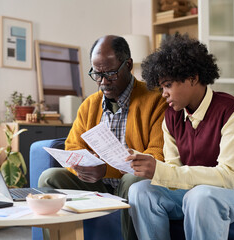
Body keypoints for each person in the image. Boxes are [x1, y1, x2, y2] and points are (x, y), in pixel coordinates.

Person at [126, 33, 234, 240]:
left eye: (168, 85)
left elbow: (227, 176)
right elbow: (174, 171)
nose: (163, 94)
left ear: (193, 78)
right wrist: (151, 167)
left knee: (200, 196)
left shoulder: (232, 110)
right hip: (190, 192)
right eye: (161, 88)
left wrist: (161, 171)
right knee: (139, 191)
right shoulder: (170, 117)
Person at [38, 35, 167, 240]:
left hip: (133, 184)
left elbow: (157, 154)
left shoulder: (156, 99)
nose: (103, 82)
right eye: (97, 74)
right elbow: (72, 146)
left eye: (110, 73)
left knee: (132, 179)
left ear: (129, 65)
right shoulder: (90, 104)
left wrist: (107, 169)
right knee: (49, 177)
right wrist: (82, 167)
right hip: (97, 184)